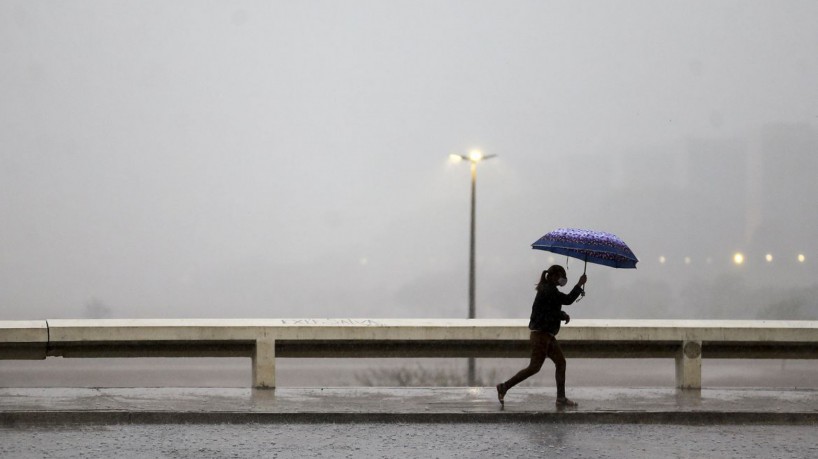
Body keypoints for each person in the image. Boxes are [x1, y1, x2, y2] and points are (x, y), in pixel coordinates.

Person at [496, 265, 587, 407]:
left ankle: (561, 398)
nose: (562, 279)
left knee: (560, 363)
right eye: (560, 276)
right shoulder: (548, 290)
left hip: (547, 335)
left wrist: (562, 315)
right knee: (534, 367)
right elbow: (567, 299)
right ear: (552, 276)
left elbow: (550, 311)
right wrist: (579, 285)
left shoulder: (548, 290)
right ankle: (504, 387)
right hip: (541, 336)